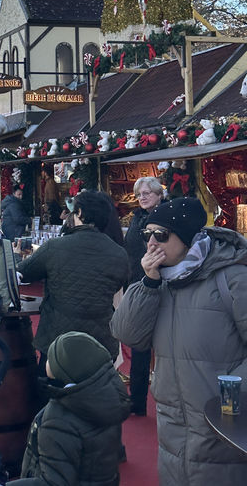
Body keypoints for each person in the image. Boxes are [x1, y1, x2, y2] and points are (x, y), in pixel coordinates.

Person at [111, 197, 247, 486]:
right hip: (172, 419)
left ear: (186, 237)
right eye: (148, 234)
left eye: (161, 235)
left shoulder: (233, 278)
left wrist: (231, 395)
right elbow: (127, 334)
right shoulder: (160, 282)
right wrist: (148, 282)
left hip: (222, 422)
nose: (151, 243)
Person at [18, 190, 129, 374]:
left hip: (57, 337)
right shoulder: (119, 253)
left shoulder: (56, 246)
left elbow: (23, 273)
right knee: (94, 393)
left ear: (80, 213)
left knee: (51, 391)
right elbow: (118, 283)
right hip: (100, 340)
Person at [15, 332, 131, 486]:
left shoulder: (57, 419)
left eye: (50, 358)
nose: (46, 361)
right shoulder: (106, 401)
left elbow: (54, 482)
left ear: (65, 370)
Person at [123, 176, 164, 416]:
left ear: (159, 194)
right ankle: (137, 400)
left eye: (148, 192)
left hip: (159, 285)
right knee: (139, 345)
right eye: (139, 194)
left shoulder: (165, 217)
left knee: (163, 344)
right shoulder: (137, 218)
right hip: (137, 285)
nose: (143, 197)